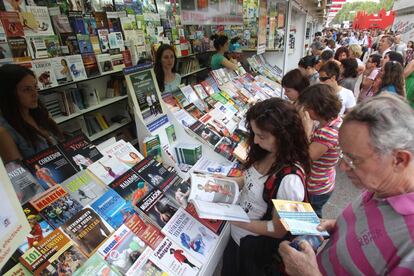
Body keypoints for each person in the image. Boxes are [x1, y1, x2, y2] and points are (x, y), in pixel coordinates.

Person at [279, 94, 414, 275]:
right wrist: (340, 226)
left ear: (399, 159)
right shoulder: (380, 186)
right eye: (344, 154)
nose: (342, 167)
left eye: (354, 160)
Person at [222, 98, 311, 275]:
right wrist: (225, 182)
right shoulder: (266, 151)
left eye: (261, 136)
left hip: (254, 251)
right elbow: (250, 180)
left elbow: (278, 230)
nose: (255, 141)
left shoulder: (290, 180)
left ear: (283, 135)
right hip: (236, 239)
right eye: (254, 133)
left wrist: (238, 220)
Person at [0, 64, 63, 162]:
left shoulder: (40, 112)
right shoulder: (4, 131)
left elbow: (62, 141)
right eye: (27, 89)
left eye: (35, 87)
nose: (35, 94)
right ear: (9, 94)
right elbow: (21, 174)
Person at [297, 84, 342, 217]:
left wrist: (307, 129)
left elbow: (305, 158)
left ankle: (313, 237)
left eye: (308, 107)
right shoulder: (334, 121)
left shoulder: (328, 132)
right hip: (324, 180)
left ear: (318, 108)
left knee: (310, 218)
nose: (304, 110)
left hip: (316, 187)